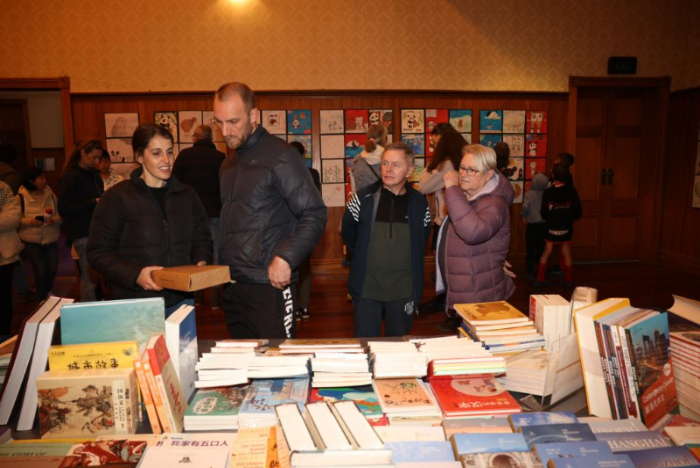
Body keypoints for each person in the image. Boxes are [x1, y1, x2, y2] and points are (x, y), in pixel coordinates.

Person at [213, 82, 327, 339]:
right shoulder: (227, 164)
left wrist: (286, 257)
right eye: (219, 122)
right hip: (232, 285)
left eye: (233, 121)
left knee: (279, 359)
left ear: (253, 115)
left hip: (269, 285)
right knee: (243, 360)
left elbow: (315, 213)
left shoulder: (281, 156)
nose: (225, 131)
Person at [87, 124, 213, 316]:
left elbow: (202, 237)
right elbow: (98, 252)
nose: (166, 160)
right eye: (156, 153)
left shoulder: (187, 195)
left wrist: (201, 260)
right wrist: (135, 274)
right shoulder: (116, 198)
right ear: (139, 157)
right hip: (134, 303)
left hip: (180, 301)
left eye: (169, 152)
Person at [341, 142, 431, 337]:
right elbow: (349, 233)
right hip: (366, 289)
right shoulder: (362, 198)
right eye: (385, 163)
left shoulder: (419, 203)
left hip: (403, 290)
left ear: (409, 171)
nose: (388, 169)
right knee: (365, 344)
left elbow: (422, 239)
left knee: (398, 347)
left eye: (396, 165)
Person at [438, 144, 516, 330]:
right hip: (470, 282)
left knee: (479, 339)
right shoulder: (469, 194)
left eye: (472, 170)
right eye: (462, 167)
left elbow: (472, 233)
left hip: (479, 289)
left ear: (488, 175)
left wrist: (452, 189)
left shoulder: (494, 203)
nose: (463, 174)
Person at [172, 124, 226, 309]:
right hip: (215, 211)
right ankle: (215, 296)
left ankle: (196, 294)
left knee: (193, 252)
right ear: (211, 138)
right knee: (216, 254)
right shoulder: (220, 158)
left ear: (195, 137)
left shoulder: (184, 156)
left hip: (190, 214)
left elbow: (174, 183)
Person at [418, 131, 467, 316]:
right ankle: (450, 303)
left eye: (436, 143)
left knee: (445, 264)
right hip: (460, 218)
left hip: (447, 220)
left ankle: (449, 305)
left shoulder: (446, 164)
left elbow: (424, 187)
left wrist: (429, 168)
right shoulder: (461, 162)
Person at [58, 140, 104, 302]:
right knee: (89, 278)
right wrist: (93, 202)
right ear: (83, 153)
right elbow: (64, 209)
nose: (97, 161)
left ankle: (98, 306)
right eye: (94, 157)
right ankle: (88, 312)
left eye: (99, 158)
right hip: (81, 231)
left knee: (97, 276)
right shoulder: (70, 177)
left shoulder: (94, 175)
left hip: (96, 230)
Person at [17, 167, 62, 300]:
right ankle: (42, 297)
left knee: (52, 268)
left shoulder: (51, 195)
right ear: (31, 181)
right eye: (41, 178)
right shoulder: (20, 197)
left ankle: (47, 291)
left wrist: (53, 220)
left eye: (44, 177)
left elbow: (59, 216)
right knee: (40, 270)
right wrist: (29, 221)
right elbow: (16, 219)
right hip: (31, 239)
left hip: (50, 237)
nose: (45, 180)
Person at [536, 163, 582, 289]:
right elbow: (578, 211)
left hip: (551, 227)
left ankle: (539, 279)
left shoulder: (548, 192)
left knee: (547, 251)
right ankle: (568, 280)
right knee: (566, 252)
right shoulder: (571, 191)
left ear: (553, 175)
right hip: (566, 227)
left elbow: (543, 212)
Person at [290, 140, 321, 322]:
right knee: (305, 268)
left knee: (290, 266)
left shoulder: (282, 172)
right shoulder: (313, 174)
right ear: (303, 155)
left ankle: (293, 309)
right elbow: (318, 201)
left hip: (288, 226)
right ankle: (305, 308)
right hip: (307, 226)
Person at [0, 180, 22, 336]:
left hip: (3, 255)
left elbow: (13, 218)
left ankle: (4, 336)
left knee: (3, 298)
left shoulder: (2, 187)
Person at [520, 172, 548, 279]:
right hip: (544, 225)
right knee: (541, 249)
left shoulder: (529, 194)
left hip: (532, 225)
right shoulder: (546, 194)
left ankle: (529, 270)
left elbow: (525, 207)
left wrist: (524, 216)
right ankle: (540, 271)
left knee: (530, 248)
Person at [349, 124, 387, 193]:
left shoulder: (356, 160)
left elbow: (354, 190)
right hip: (385, 199)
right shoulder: (390, 158)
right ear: (385, 139)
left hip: (363, 199)